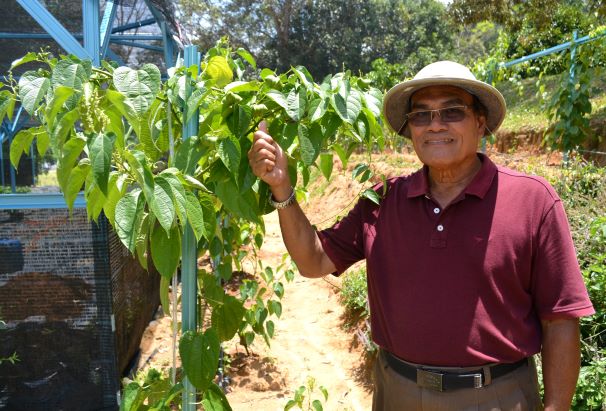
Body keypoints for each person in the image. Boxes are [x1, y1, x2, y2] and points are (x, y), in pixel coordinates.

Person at [247, 60, 595, 411]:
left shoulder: (532, 200)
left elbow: (561, 319)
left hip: (497, 396)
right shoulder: (382, 200)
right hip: (398, 392)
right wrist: (282, 187)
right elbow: (313, 260)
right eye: (421, 115)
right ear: (410, 129)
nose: (435, 125)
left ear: (480, 122)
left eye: (452, 111)